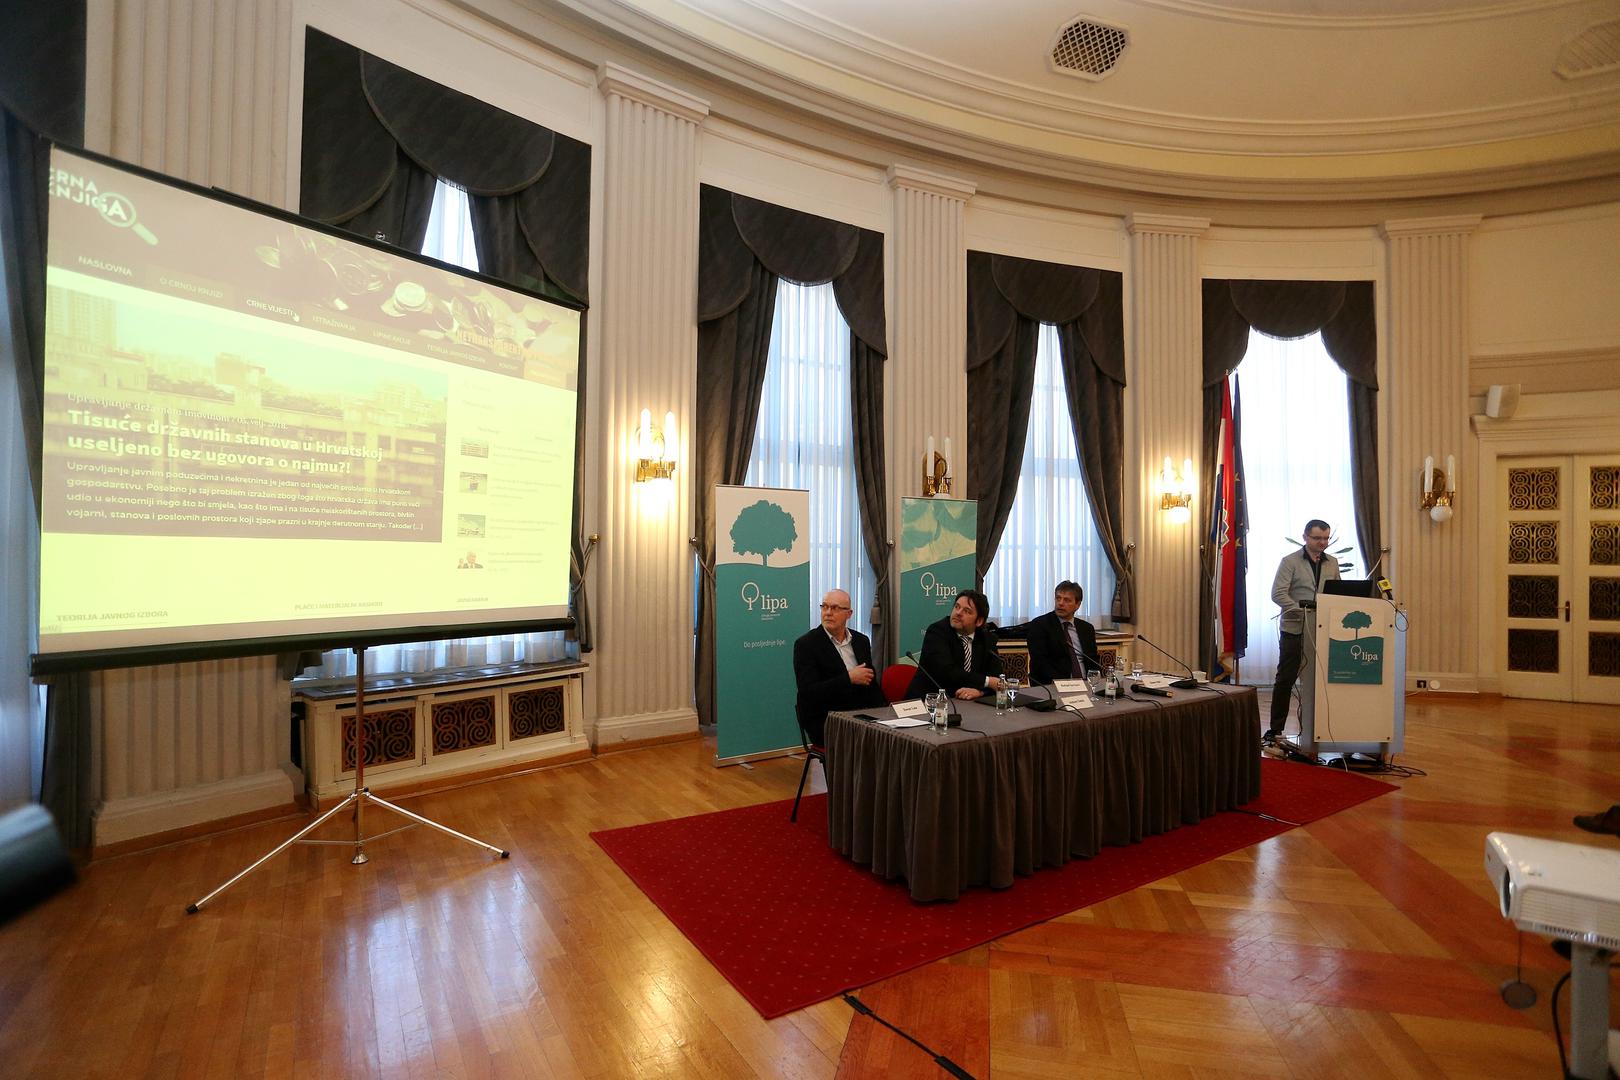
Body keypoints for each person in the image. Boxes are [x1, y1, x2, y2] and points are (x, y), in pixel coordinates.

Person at [1266, 519, 1341, 744]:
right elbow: (1278, 593)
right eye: (1317, 538)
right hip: (1295, 628)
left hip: (1322, 630)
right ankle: (1275, 729)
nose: (1322, 543)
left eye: (1326, 538)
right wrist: (1302, 610)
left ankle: (1317, 728)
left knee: (1320, 680)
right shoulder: (1290, 561)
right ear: (1305, 537)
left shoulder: (1332, 562)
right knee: (1286, 678)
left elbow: (1337, 592)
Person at [792, 589, 886, 747]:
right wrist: (849, 678)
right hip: (826, 718)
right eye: (824, 607)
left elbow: (870, 682)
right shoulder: (806, 645)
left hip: (860, 715)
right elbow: (808, 692)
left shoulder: (861, 641)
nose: (828, 613)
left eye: (835, 608)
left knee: (894, 737)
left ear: (849, 614)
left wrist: (886, 712)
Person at [908, 590, 1006, 700]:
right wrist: (987, 681)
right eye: (957, 607)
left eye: (967, 611)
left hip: (967, 704)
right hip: (929, 702)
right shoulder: (937, 632)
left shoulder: (986, 639)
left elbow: (997, 680)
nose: (958, 613)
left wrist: (980, 692)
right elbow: (948, 672)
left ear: (979, 621)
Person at [1025, 580, 1101, 684]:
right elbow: (1040, 663)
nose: (1060, 603)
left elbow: (1093, 661)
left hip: (1087, 684)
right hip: (1053, 684)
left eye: (1067, 600)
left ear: (1077, 604)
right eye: (1058, 598)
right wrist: (1068, 684)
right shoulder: (1039, 625)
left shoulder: (1087, 628)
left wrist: (1096, 683)